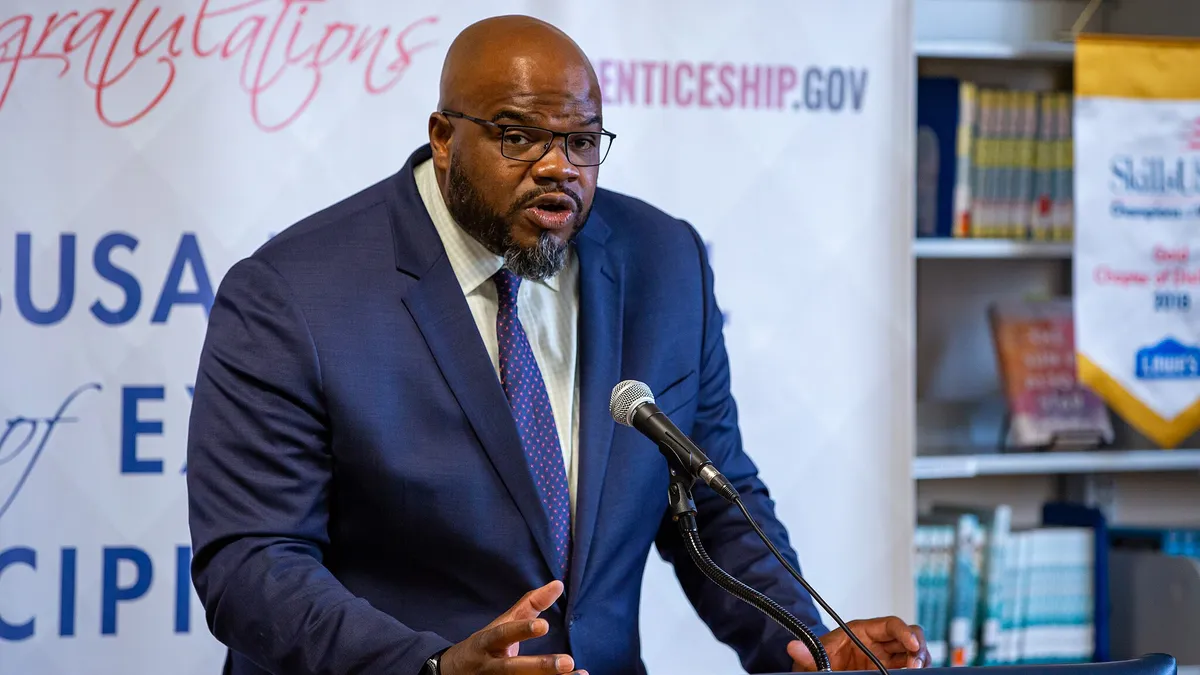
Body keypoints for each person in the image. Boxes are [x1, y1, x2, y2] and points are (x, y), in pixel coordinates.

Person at [185, 14, 929, 675]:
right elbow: (253, 563)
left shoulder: (664, 263)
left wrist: (802, 640)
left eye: (580, 141)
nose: (558, 167)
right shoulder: (295, 293)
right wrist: (431, 666)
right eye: (518, 136)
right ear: (444, 137)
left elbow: (713, 498)